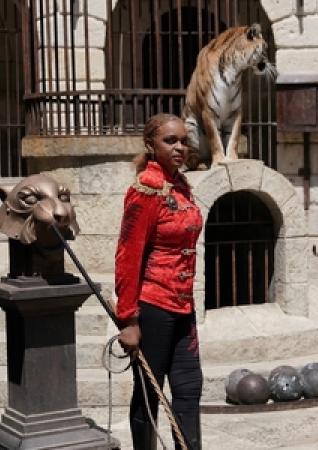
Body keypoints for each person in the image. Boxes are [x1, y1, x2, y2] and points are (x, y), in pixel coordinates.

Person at [115, 113, 204, 450]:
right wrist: (128, 319)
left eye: (183, 140)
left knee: (189, 386)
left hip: (183, 305)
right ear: (151, 145)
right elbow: (127, 256)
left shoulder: (180, 186)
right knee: (149, 392)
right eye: (171, 141)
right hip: (153, 307)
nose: (180, 147)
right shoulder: (145, 191)